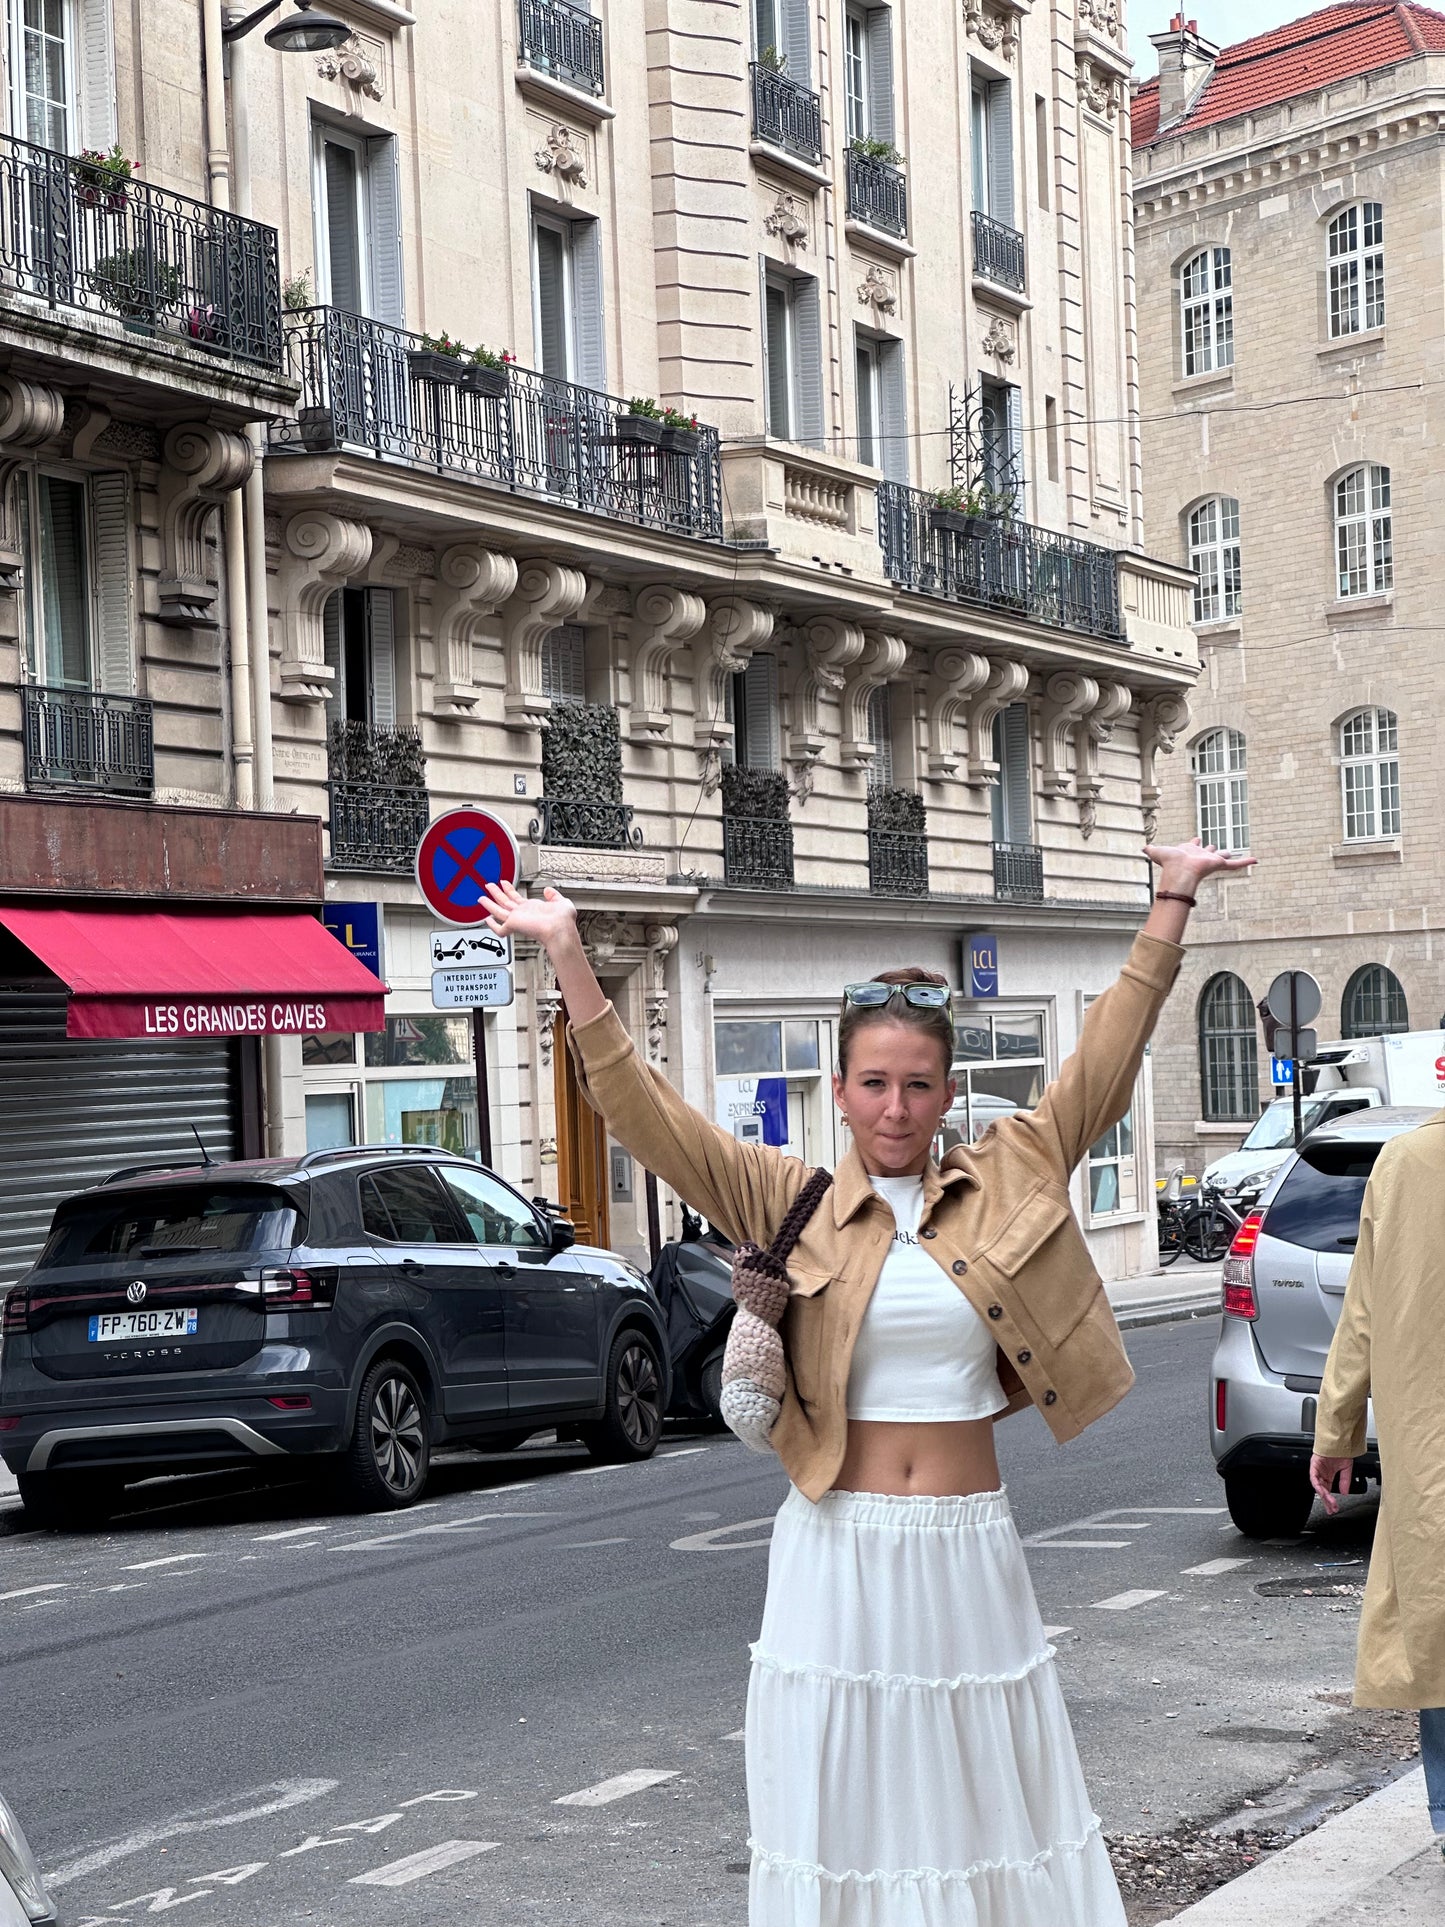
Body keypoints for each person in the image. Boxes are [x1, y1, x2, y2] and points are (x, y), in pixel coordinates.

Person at [484, 834, 1252, 1926]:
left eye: (918, 1084)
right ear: (838, 1089)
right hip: (834, 1548)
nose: (895, 1107)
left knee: (979, 1806)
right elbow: (641, 1114)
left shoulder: (1006, 1174)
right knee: (846, 1809)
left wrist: (1170, 899)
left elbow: (1103, 1063)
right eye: (874, 1083)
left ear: (948, 1090)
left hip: (963, 1545)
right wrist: (566, 955)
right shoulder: (782, 1196)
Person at [1311, 1120, 1445, 1866]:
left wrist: (1336, 1430)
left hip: (1430, 1447)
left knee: (1437, 1628)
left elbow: (1360, 1311)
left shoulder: (1403, 1163)